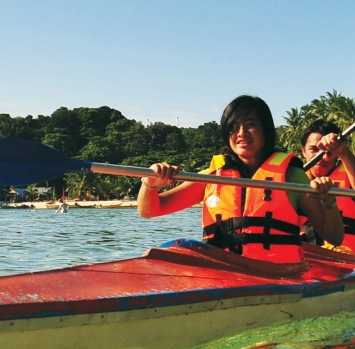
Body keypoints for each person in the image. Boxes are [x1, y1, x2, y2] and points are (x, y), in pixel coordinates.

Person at [139, 95, 343, 261]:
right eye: (234, 127)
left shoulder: (292, 176)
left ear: (266, 129)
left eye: (250, 125)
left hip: (278, 274)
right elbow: (150, 210)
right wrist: (150, 184)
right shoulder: (213, 177)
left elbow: (333, 237)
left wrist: (329, 200)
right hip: (224, 271)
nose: (241, 133)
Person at [301, 126, 355, 255]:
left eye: (327, 150)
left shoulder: (352, 175)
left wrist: (342, 151)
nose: (321, 156)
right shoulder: (293, 177)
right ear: (303, 151)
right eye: (314, 149)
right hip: (303, 253)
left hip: (346, 256)